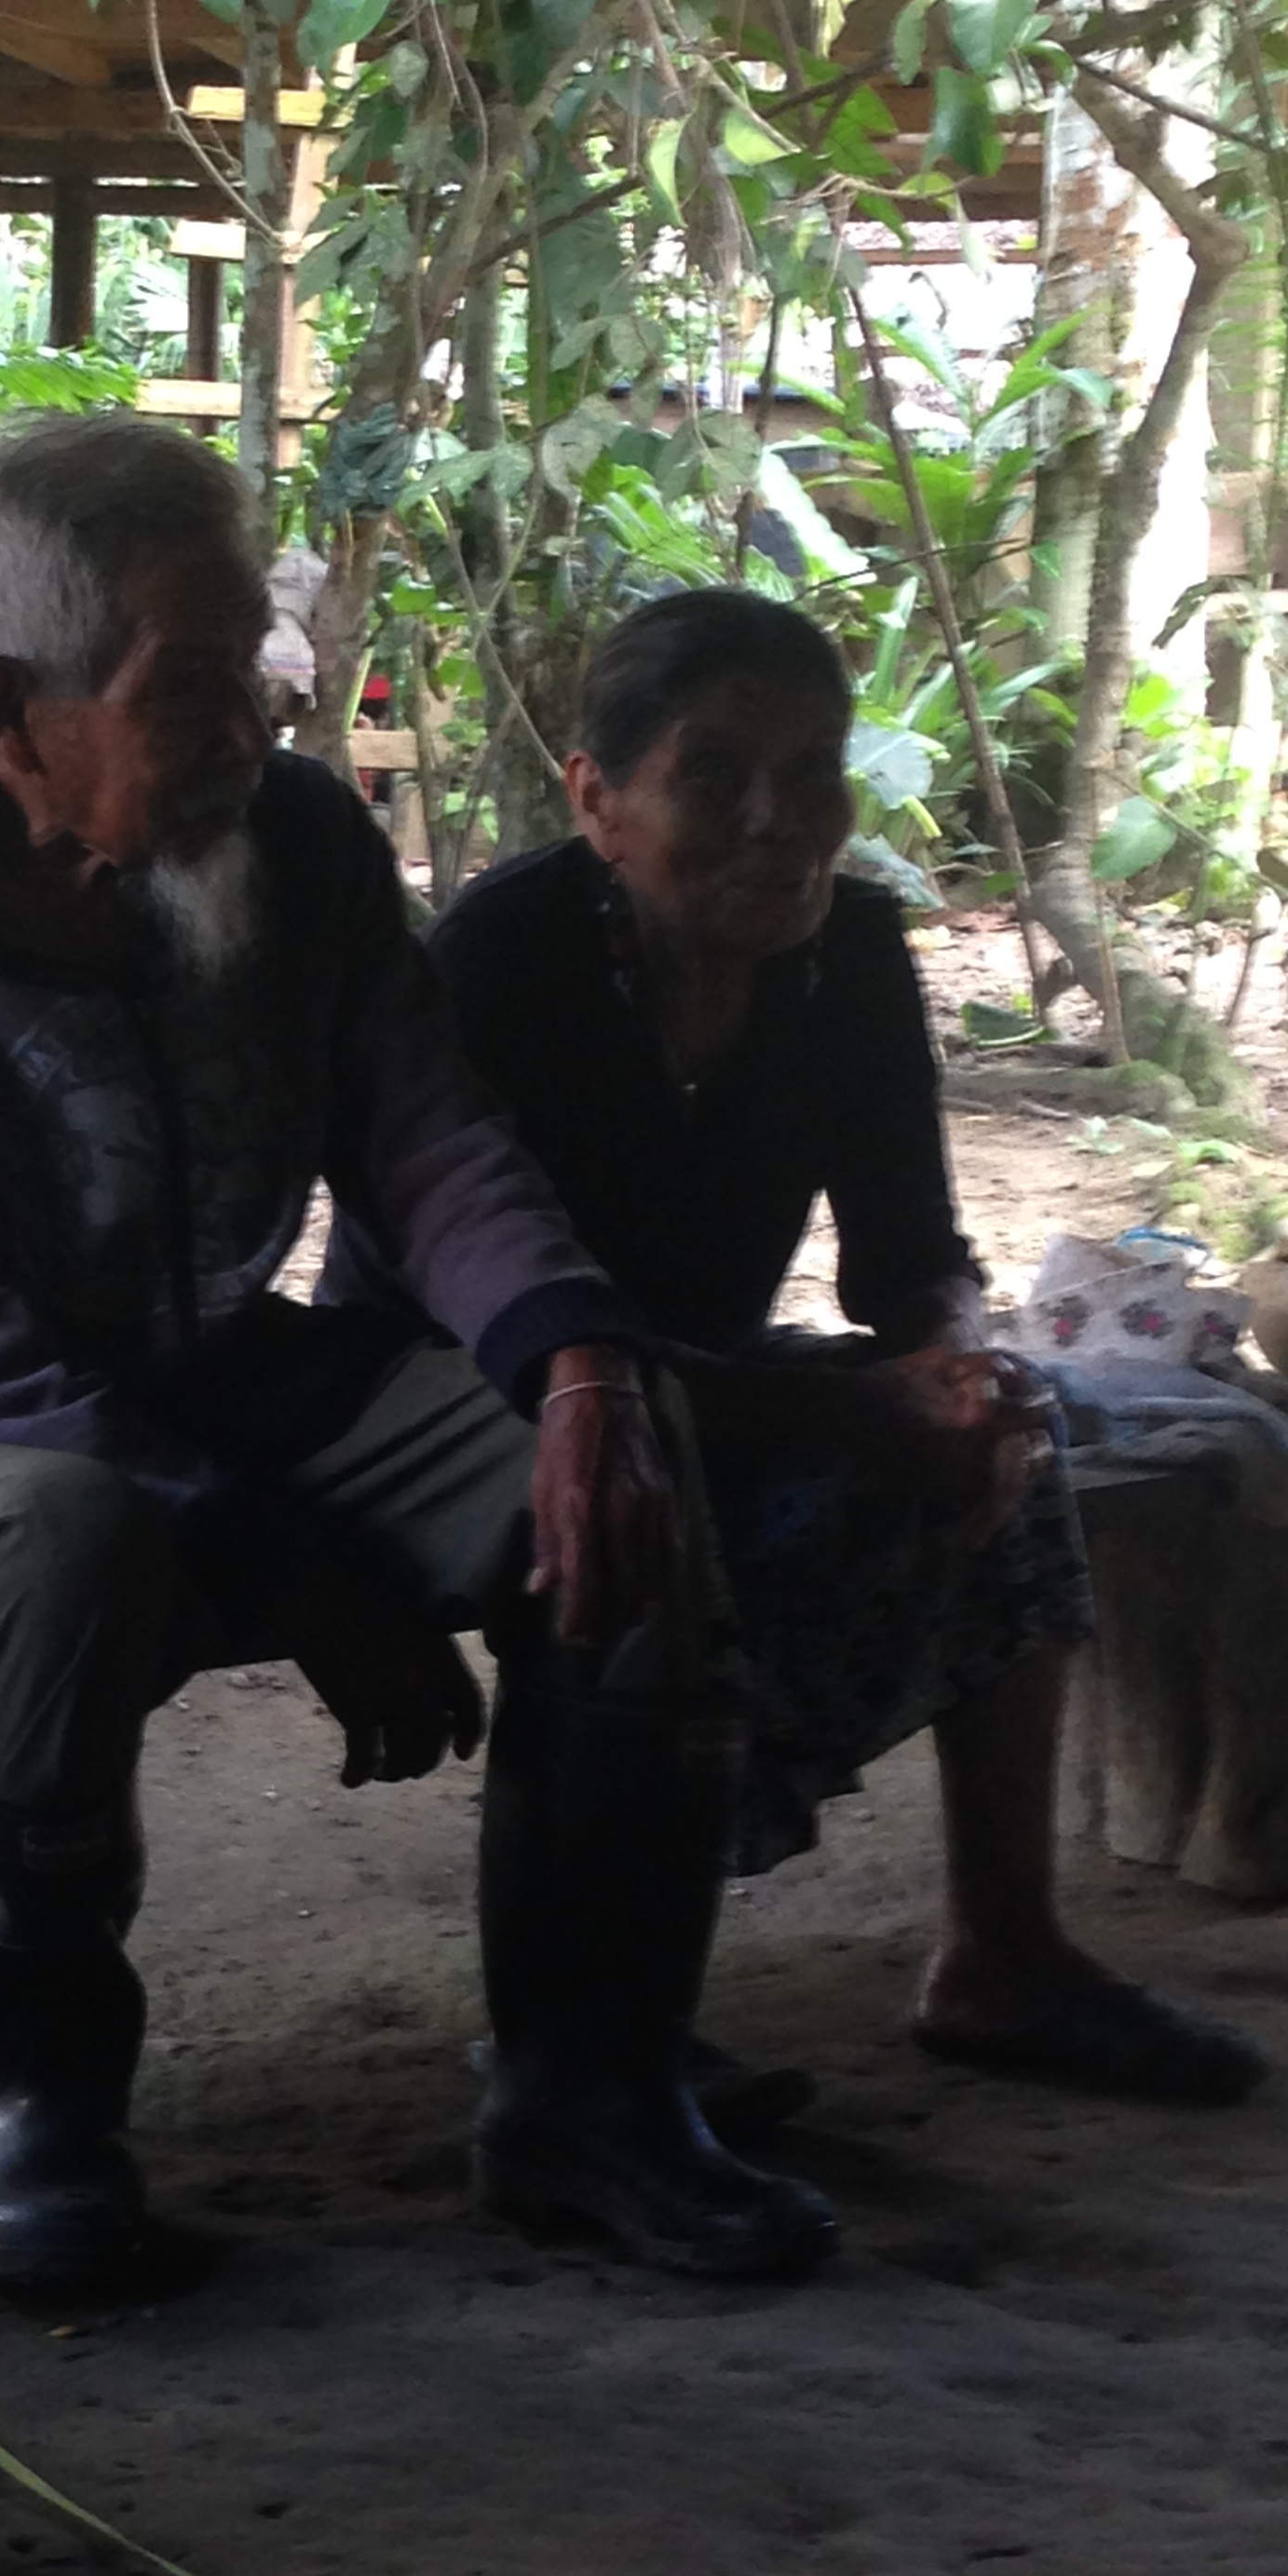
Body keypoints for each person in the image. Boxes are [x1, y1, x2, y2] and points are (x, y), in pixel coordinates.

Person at [0, 413, 840, 2294]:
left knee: (619, 1461)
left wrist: (580, 1364)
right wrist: (301, 1569)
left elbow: (433, 1141)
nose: (255, 724)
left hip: (226, 1369)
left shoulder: (300, 844)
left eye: (254, 665)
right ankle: (46, 2095)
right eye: (189, 688)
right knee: (75, 1538)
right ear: (13, 715)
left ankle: (590, 2089)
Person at [331, 587, 1264, 2107]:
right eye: (714, 775)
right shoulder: (504, 962)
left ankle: (1001, 1957)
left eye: (814, 771)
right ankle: (594, 2028)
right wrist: (849, 1417)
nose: (780, 822)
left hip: (704, 1378)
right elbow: (513, 1325)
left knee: (1005, 1451)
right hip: (472, 1393)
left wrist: (959, 1366)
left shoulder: (852, 955)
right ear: (598, 800)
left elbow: (913, 1259)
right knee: (635, 1493)